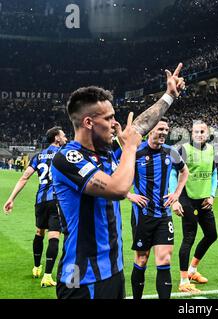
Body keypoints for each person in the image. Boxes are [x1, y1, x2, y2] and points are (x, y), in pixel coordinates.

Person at [51, 63, 185, 299]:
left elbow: (139, 127)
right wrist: (131, 145)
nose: (116, 124)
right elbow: (118, 188)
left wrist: (168, 97)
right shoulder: (68, 158)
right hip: (80, 277)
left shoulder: (106, 153)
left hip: (113, 270)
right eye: (109, 118)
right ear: (88, 123)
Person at [118, 117, 189, 299]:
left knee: (164, 260)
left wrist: (176, 194)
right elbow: (114, 174)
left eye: (166, 129)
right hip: (142, 214)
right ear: (150, 130)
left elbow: (184, 171)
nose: (164, 132)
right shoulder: (135, 151)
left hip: (164, 214)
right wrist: (128, 194)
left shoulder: (171, 152)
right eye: (160, 129)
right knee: (142, 259)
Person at [3, 127, 68, 287]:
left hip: (40, 201)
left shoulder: (38, 156)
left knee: (39, 232)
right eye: (63, 135)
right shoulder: (64, 154)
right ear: (56, 138)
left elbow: (24, 177)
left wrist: (11, 198)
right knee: (54, 236)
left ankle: (37, 267)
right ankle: (47, 276)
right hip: (56, 201)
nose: (66, 137)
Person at [173, 120, 218, 293]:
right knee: (189, 237)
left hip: (204, 200)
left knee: (211, 235)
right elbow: (173, 173)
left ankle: (192, 270)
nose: (200, 134)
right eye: (196, 132)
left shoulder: (212, 150)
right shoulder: (184, 150)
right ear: (191, 134)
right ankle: (184, 280)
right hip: (187, 198)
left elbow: (213, 174)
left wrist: (212, 195)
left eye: (202, 132)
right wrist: (175, 199)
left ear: (207, 134)